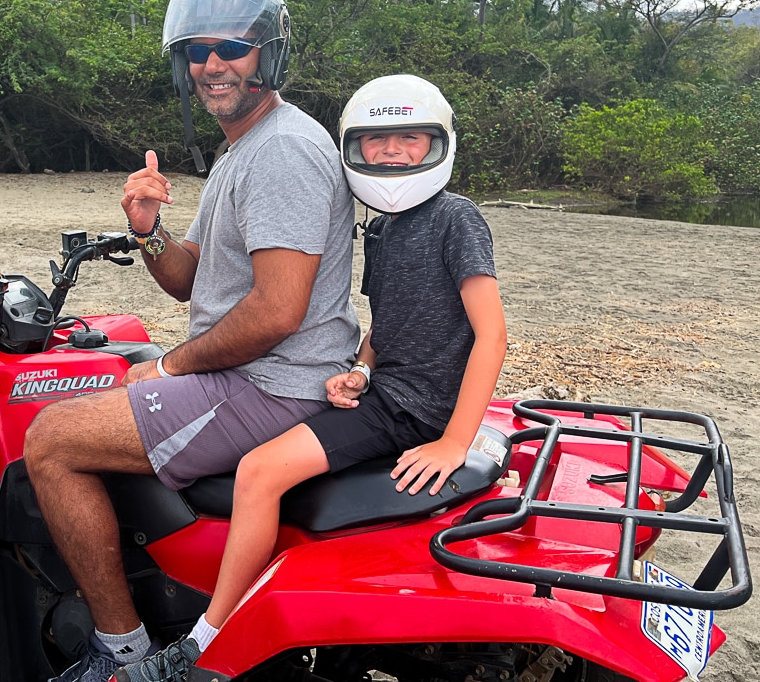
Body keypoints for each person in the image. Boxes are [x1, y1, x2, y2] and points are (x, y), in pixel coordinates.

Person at [22, 0, 361, 682]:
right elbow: (188, 277)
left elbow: (276, 313)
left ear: (267, 54)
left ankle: (121, 653)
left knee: (50, 440)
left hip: (273, 384)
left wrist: (174, 366)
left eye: (231, 48)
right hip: (253, 372)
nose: (212, 65)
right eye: (197, 51)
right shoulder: (244, 148)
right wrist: (148, 230)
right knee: (113, 375)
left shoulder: (284, 152)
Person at [113, 74, 508, 682]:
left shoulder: (456, 217)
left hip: (413, 411)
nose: (394, 152)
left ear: (440, 145)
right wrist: (360, 370)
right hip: (383, 392)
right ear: (353, 147)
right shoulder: (382, 227)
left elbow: (491, 333)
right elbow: (385, 325)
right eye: (377, 141)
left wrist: (454, 439)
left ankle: (207, 640)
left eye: (411, 138)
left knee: (259, 471)